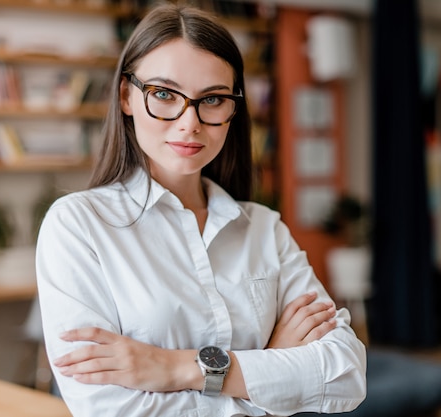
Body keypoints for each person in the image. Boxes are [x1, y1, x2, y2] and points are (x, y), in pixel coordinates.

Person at [35, 4, 366, 416]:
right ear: (126, 96)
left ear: (232, 109)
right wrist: (267, 369)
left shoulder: (264, 228)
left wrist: (175, 368)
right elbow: (111, 409)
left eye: (211, 99)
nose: (189, 122)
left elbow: (346, 374)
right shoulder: (78, 226)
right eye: (163, 94)